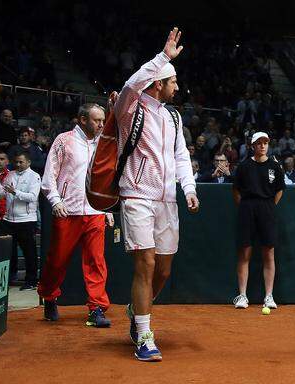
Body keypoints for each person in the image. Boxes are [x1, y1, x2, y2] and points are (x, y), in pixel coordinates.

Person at [113, 27, 199, 362]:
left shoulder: (173, 117)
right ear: (158, 83)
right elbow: (130, 85)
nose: (177, 86)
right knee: (146, 264)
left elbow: (181, 156)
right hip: (136, 195)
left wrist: (188, 188)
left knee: (162, 270)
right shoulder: (129, 108)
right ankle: (144, 335)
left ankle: (137, 311)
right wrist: (163, 57)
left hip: (167, 200)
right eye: (173, 80)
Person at [38, 103, 114, 327]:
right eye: (97, 120)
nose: (101, 124)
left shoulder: (103, 143)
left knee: (96, 261)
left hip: (94, 212)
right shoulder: (64, 140)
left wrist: (106, 208)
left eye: (103, 120)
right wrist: (55, 200)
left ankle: (97, 308)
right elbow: (50, 174)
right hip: (67, 211)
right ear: (82, 120)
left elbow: (106, 180)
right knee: (57, 260)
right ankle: (49, 296)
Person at [232, 132, 285, 310]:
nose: (262, 146)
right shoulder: (244, 166)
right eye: (259, 143)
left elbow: (279, 190)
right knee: (244, 253)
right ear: (252, 145)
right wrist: (246, 206)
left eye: (265, 143)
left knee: (268, 253)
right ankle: (242, 296)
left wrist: (268, 206)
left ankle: (269, 296)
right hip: (247, 209)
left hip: (267, 209)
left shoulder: (275, 167)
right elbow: (236, 191)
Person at [0, 151, 41, 289]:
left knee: (29, 252)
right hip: (9, 219)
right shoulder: (10, 175)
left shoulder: (34, 176)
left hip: (26, 220)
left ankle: (31, 281)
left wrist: (15, 192)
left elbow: (32, 197)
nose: (18, 164)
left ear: (28, 162)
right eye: (16, 162)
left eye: (21, 162)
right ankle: (10, 278)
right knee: (8, 251)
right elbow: (1, 195)